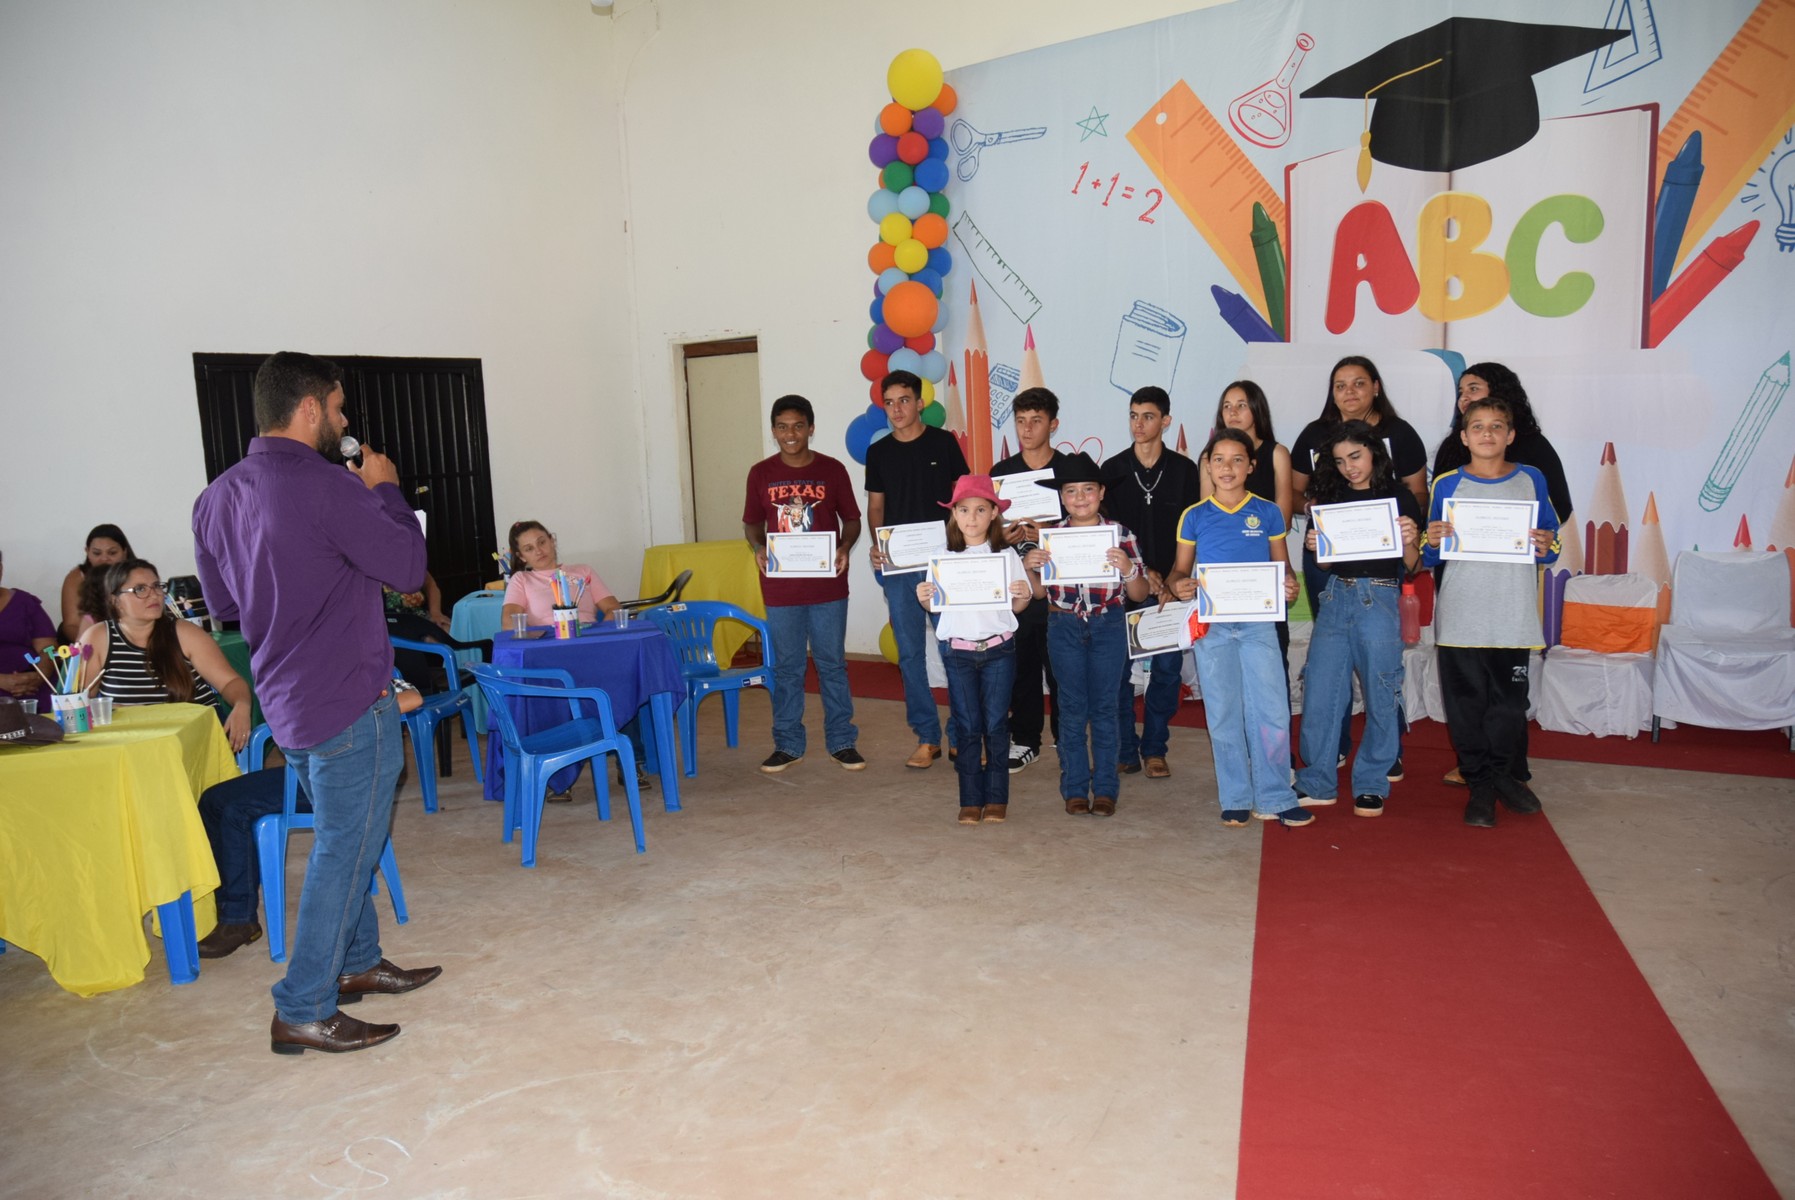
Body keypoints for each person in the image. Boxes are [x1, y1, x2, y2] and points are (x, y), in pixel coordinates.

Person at [193, 350, 440, 1056]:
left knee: (345, 835)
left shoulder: (215, 498)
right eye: (338, 408)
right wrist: (386, 492)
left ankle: (358, 963)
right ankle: (303, 1005)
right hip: (346, 699)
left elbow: (228, 607)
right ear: (308, 410)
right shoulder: (333, 488)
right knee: (346, 848)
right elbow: (406, 569)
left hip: (286, 702)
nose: (345, 420)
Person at [196, 682, 424, 959]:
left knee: (236, 811)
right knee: (213, 800)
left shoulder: (364, 662)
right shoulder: (315, 665)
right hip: (313, 765)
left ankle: (238, 917)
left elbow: (413, 697)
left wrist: (347, 715)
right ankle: (227, 906)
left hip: (354, 772)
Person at [1430, 363, 1571, 790]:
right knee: (1466, 707)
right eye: (1477, 426)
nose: (1487, 434)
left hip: (1511, 614)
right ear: (1464, 435)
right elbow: (1430, 548)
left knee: (1510, 705)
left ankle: (1508, 779)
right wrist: (1431, 538)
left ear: (1511, 435)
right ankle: (1480, 784)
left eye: (1496, 427)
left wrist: (1547, 545)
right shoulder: (1446, 483)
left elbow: (1552, 539)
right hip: (1461, 613)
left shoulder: (1532, 479)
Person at [1289, 357, 1428, 781]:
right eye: (1341, 459)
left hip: (1383, 593)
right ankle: (1320, 771)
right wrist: (1316, 543)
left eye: (1357, 456)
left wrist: (1408, 536)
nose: (1350, 465)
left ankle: (1375, 773)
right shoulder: (1327, 495)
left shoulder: (1400, 491)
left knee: (1382, 684)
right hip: (1336, 593)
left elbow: (1414, 564)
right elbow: (1325, 560)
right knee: (1322, 685)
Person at [1166, 429, 1309, 828]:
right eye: (1218, 460)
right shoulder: (1194, 516)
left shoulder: (1266, 513)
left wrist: (1289, 583)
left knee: (1272, 711)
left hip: (1259, 625)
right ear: (1207, 466)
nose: (1226, 468)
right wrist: (1179, 584)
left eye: (1236, 460)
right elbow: (1181, 569)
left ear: (1251, 466)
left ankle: (1276, 796)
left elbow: (1282, 566)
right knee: (1223, 712)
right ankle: (1235, 795)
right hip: (1212, 628)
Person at [742, 394, 865, 772]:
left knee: (832, 664)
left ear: (811, 428)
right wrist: (759, 547)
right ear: (774, 430)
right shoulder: (760, 473)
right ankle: (788, 743)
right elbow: (751, 522)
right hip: (781, 589)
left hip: (828, 587)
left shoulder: (832, 470)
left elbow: (853, 519)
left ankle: (842, 741)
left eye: (798, 426)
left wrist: (844, 547)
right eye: (782, 426)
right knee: (788, 668)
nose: (790, 434)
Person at [1022, 453, 1149, 817]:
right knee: (1071, 708)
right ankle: (1075, 787)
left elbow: (1139, 595)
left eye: (1088, 489)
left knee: (1106, 708)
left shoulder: (1122, 535)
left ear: (1101, 492)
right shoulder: (1049, 540)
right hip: (1063, 626)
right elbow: (1040, 594)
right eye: (1071, 491)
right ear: (1061, 497)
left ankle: (1106, 787)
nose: (1080, 497)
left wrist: (1127, 569)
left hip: (1108, 624)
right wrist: (1031, 568)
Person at [865, 369, 969, 768]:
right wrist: (879, 548)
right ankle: (927, 736)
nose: (896, 409)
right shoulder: (879, 452)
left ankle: (961, 733)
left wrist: (962, 546)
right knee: (909, 653)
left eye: (904, 400)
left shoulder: (943, 443)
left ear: (920, 403)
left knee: (953, 648)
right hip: (899, 567)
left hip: (945, 562)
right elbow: (876, 507)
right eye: (889, 402)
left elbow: (963, 498)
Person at [1102, 386, 1203, 780]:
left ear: (1166, 420)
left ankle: (1155, 747)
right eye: (1133, 415)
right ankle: (1126, 747)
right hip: (1126, 586)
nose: (1138, 424)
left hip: (1171, 589)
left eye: (1147, 416)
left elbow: (1190, 533)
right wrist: (1142, 573)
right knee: (1119, 674)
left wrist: (1171, 577)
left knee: (1165, 670)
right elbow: (1108, 533)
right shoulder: (1111, 469)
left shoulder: (1184, 470)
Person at [917, 475, 1032, 823]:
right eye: (963, 510)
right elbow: (935, 607)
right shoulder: (940, 556)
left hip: (999, 650)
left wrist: (1022, 595)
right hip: (957, 653)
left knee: (996, 724)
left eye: (981, 509)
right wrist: (924, 599)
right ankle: (970, 798)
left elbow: (1018, 606)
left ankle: (997, 798)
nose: (971, 517)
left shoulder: (1007, 555)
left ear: (994, 513)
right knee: (967, 725)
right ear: (953, 515)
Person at [76, 559, 254, 751]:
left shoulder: (184, 633)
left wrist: (241, 705)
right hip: (131, 744)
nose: (154, 595)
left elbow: (230, 682)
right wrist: (113, 710)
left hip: (192, 741)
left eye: (157, 586)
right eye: (140, 589)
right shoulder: (98, 637)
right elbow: (78, 700)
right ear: (115, 600)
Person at [990, 386, 1067, 773]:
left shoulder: (1070, 470)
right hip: (1018, 589)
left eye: (1036, 421)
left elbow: (1088, 525)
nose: (1027, 429)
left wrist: (1046, 532)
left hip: (1062, 591)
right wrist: (1002, 536)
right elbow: (986, 531)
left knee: (1061, 669)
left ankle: (1066, 738)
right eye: (1020, 421)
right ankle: (1024, 739)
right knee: (1021, 665)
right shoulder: (1001, 474)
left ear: (1053, 424)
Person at [501, 521, 618, 628]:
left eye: (542, 542)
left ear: (552, 541)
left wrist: (600, 633)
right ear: (521, 556)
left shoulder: (584, 571)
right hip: (546, 644)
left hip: (589, 638)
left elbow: (613, 608)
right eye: (529, 549)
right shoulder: (521, 579)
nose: (538, 551)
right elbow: (509, 620)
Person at [0, 548, 56, 712]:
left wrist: (40, 675)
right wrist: (3, 681)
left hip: (32, 685)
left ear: (1, 569)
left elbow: (49, 648)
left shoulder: (24, 602)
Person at [59, 524, 133, 642]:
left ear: (124, 552)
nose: (104, 559)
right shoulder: (77, 577)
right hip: (88, 641)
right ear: (87, 552)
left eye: (112, 553)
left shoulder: (136, 576)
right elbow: (71, 625)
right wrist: (89, 646)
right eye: (97, 553)